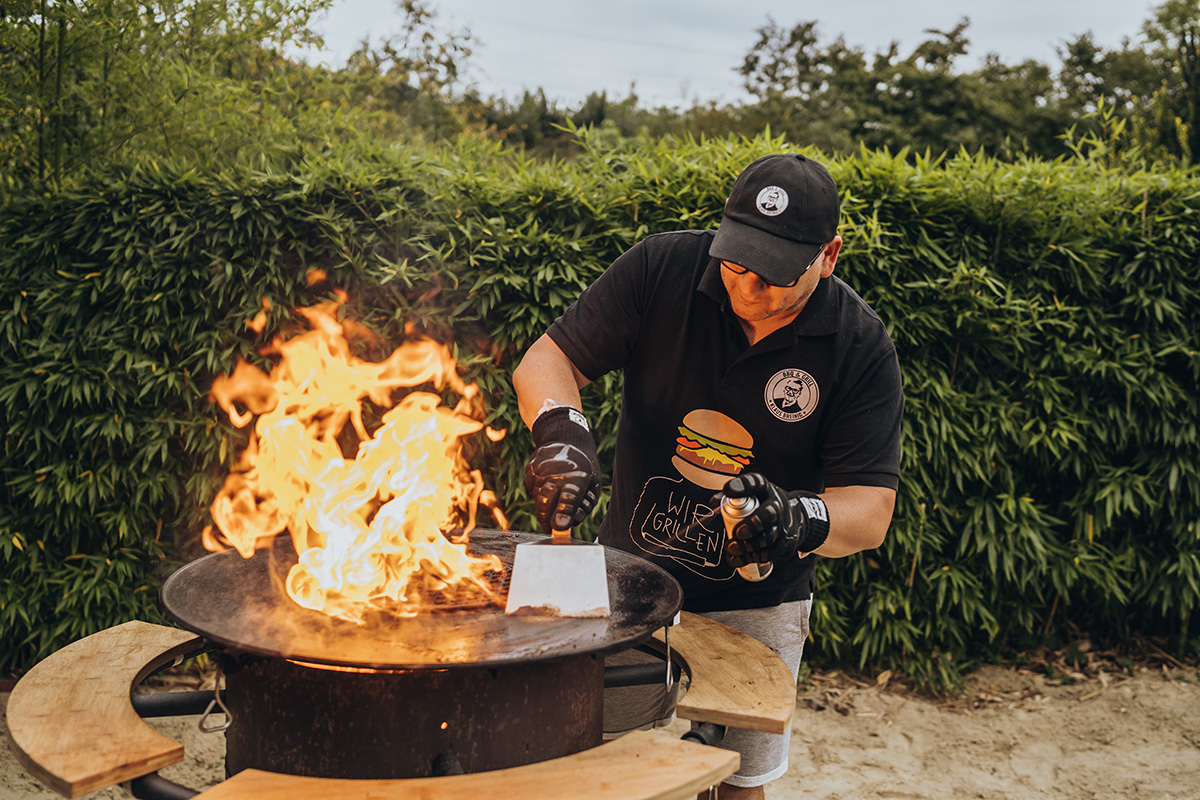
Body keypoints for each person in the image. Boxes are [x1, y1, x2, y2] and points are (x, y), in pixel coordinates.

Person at [512, 153, 903, 799]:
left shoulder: (858, 344)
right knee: (589, 756)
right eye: (738, 261)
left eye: (776, 273)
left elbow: (869, 512)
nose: (749, 287)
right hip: (628, 573)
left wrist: (799, 519)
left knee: (741, 780)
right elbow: (548, 361)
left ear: (828, 255)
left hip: (760, 596)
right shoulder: (662, 267)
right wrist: (563, 434)